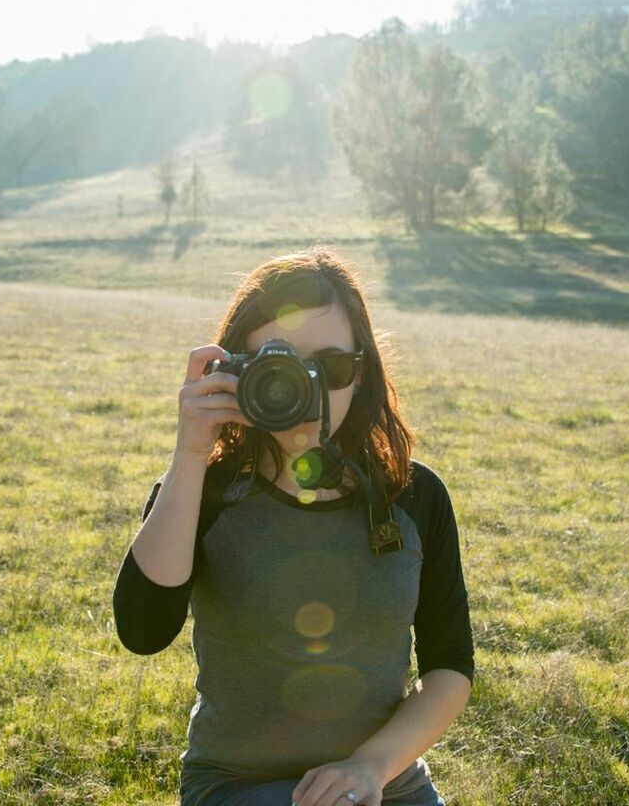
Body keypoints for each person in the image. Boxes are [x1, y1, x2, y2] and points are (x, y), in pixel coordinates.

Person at [112, 246, 475, 806]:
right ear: (233, 369)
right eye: (278, 365)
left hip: (384, 783)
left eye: (330, 367)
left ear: (364, 372)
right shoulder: (204, 491)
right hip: (237, 783)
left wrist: (369, 768)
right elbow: (142, 631)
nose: (306, 390)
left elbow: (449, 666)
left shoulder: (414, 494)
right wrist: (189, 454)